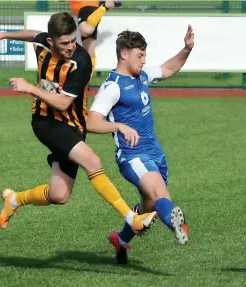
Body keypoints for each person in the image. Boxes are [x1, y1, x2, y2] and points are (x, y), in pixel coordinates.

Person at [0, 12, 156, 234]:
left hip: (73, 126)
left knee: (59, 194)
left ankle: (14, 199)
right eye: (64, 43)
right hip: (46, 123)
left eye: (73, 40)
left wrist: (30, 88)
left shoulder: (81, 62)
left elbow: (64, 103)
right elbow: (33, 35)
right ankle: (132, 218)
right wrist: (3, 35)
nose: (70, 46)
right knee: (93, 161)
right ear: (51, 41)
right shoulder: (42, 44)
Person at [87, 25, 194, 264]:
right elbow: (91, 121)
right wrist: (119, 127)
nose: (144, 60)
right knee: (160, 195)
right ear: (124, 54)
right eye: (140, 55)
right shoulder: (112, 86)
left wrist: (186, 49)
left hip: (155, 153)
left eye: (145, 55)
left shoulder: (142, 75)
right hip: (132, 156)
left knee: (148, 207)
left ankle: (121, 240)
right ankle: (178, 226)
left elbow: (168, 68)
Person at [67, 0, 122, 74]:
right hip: (89, 10)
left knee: (85, 30)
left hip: (84, 6)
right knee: (89, 51)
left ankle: (103, 7)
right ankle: (85, 82)